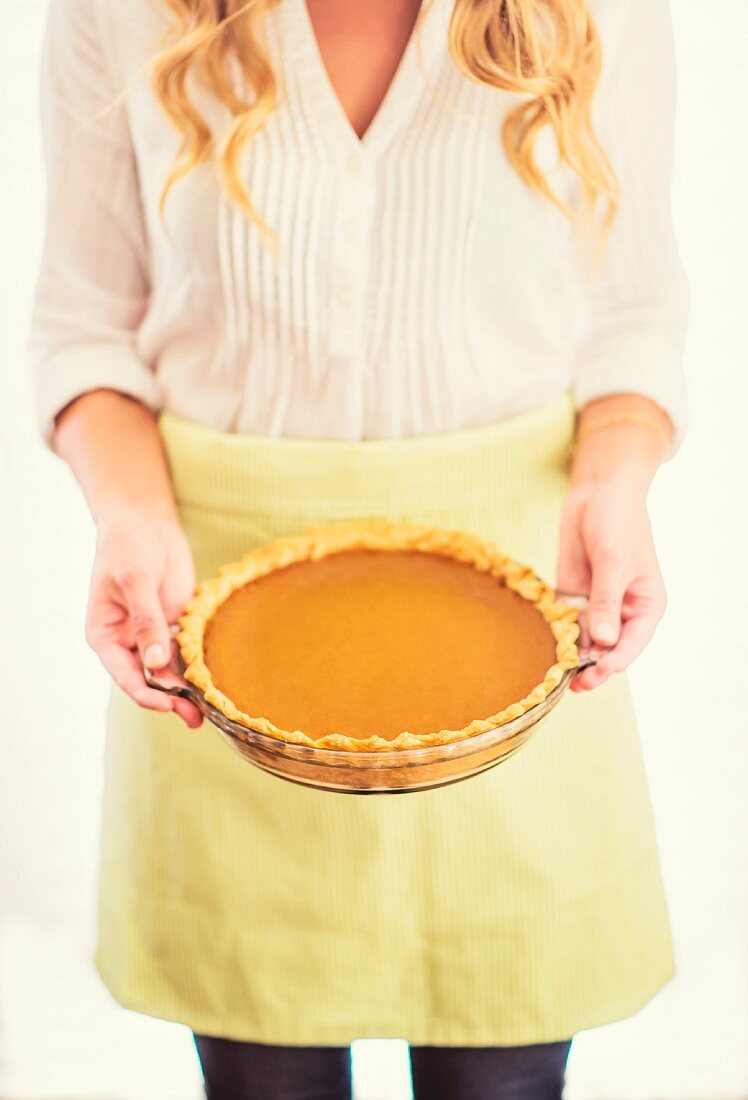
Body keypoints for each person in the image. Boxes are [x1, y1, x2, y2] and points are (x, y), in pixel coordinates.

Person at [28, 0, 689, 1096]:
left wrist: (615, 477)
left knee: (505, 1071)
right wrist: (129, 516)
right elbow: (85, 323)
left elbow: (632, 316)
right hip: (216, 617)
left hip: (517, 614)